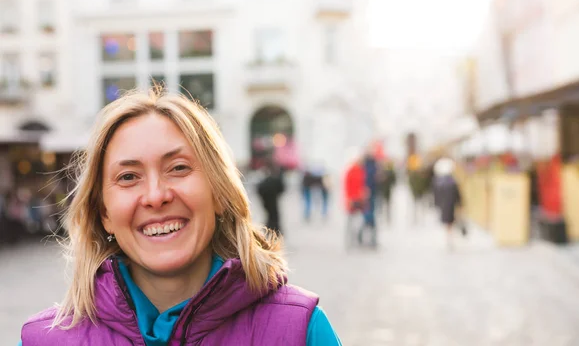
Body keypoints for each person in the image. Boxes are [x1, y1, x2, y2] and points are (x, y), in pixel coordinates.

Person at [20, 88, 341, 345]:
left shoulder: (300, 331)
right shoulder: (43, 340)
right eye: (129, 177)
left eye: (178, 168)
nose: (157, 196)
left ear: (218, 192)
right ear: (103, 212)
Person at [433, 157, 463, 250]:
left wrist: (437, 204)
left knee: (448, 223)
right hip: (450, 205)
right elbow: (458, 195)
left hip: (444, 205)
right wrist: (460, 203)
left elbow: (436, 195)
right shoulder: (452, 181)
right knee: (450, 223)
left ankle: (449, 238)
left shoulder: (438, 182)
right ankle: (450, 238)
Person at [343, 152, 367, 249]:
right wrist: (349, 199)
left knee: (362, 221)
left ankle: (358, 239)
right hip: (352, 199)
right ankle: (350, 240)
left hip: (360, 199)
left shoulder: (361, 171)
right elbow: (347, 187)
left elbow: (363, 184)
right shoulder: (350, 171)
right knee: (350, 221)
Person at [257, 162, 285, 236]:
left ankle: (271, 229)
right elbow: (281, 189)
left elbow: (259, 190)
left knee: (270, 216)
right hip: (272, 201)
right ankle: (275, 230)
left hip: (266, 201)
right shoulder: (275, 180)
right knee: (274, 216)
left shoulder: (264, 181)